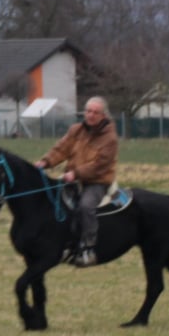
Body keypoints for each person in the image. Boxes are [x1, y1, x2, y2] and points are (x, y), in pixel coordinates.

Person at [35, 96, 119, 267]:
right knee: (55, 202)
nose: (91, 115)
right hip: (73, 179)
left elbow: (100, 165)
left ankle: (89, 247)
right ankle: (63, 244)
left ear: (104, 115)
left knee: (86, 207)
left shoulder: (110, 138)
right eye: (88, 111)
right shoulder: (76, 130)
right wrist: (45, 162)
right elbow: (61, 149)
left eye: (95, 112)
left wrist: (76, 173)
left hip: (97, 182)